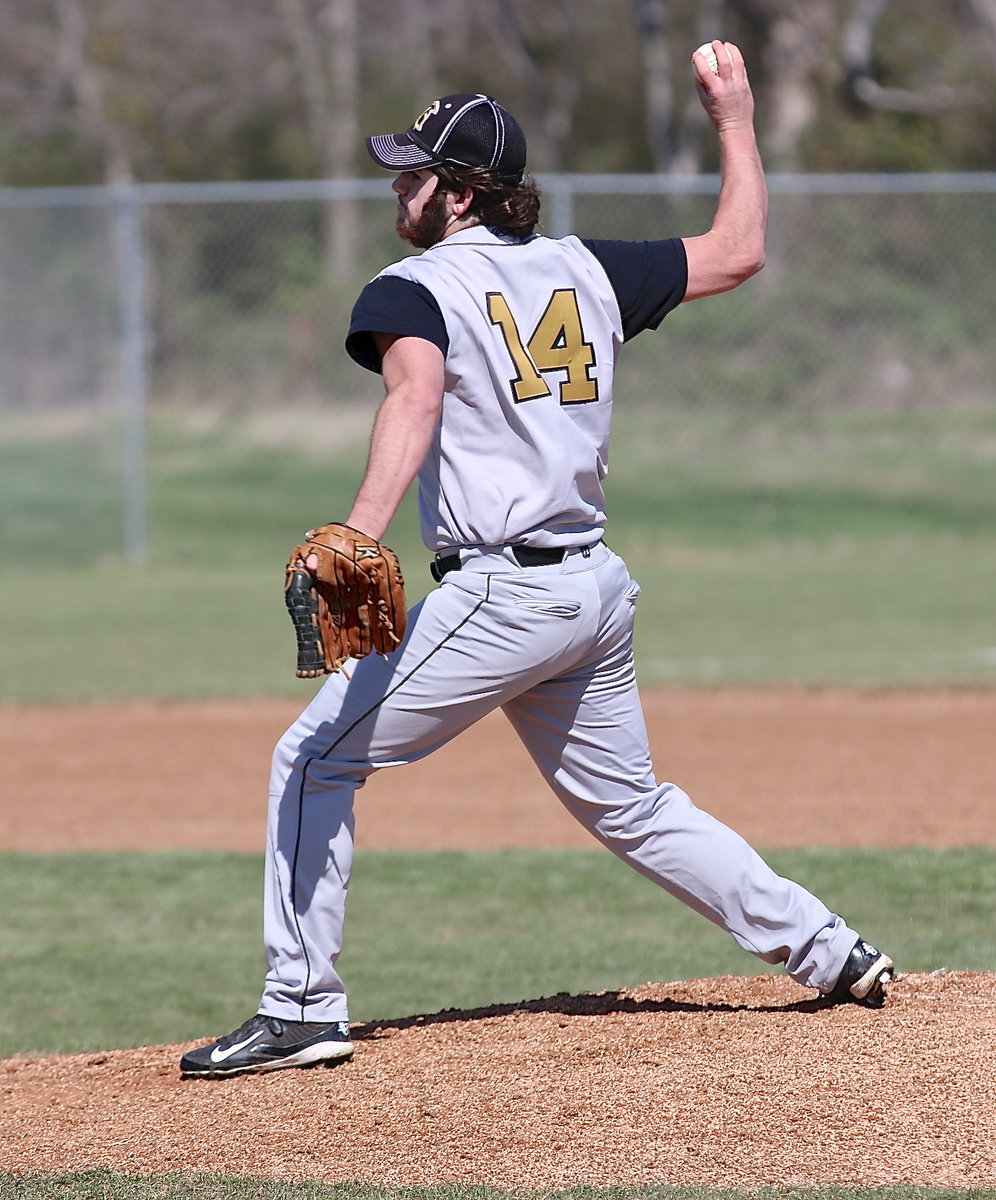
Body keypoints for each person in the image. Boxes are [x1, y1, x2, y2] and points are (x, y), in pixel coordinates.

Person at [180, 47, 894, 1079]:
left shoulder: (415, 286)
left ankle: (300, 1009)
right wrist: (734, 117)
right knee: (635, 807)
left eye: (414, 172)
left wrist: (357, 534)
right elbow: (738, 250)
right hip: (591, 593)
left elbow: (413, 402)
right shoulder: (591, 266)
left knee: (312, 761)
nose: (397, 185)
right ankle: (831, 951)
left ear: (462, 194)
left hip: (503, 594)